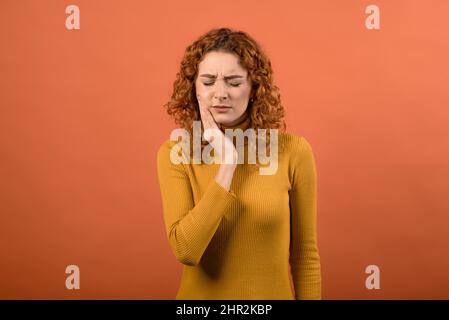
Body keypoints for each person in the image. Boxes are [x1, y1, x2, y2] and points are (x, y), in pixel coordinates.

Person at [156, 27, 321, 299]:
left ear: (254, 87)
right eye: (208, 82)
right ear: (193, 87)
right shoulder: (175, 153)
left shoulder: (293, 151)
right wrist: (228, 161)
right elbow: (186, 250)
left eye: (233, 82)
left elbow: (305, 255)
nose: (220, 93)